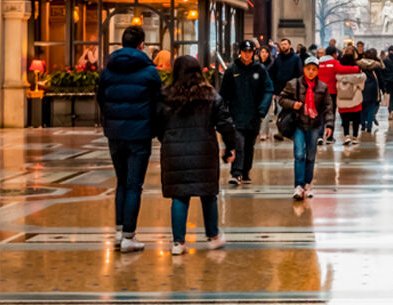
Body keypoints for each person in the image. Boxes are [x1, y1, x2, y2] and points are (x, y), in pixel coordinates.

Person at [155, 55, 236, 254]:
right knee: (208, 194)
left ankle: (178, 243)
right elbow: (225, 123)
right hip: (204, 151)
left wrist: (166, 139)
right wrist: (230, 147)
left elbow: (157, 124)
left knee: (179, 197)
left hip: (174, 151)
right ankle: (213, 236)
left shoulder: (166, 96)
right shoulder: (210, 95)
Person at [96, 25, 163, 252]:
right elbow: (158, 103)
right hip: (139, 134)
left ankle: (118, 232)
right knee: (135, 185)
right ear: (141, 44)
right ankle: (129, 236)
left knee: (121, 182)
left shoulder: (107, 71)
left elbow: (101, 99)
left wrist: (110, 120)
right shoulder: (149, 72)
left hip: (115, 133)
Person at [278, 55, 335, 199]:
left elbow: (328, 107)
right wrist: (293, 104)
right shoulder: (294, 84)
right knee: (298, 155)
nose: (311, 72)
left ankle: (308, 184)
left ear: (317, 71)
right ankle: (298, 185)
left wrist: (329, 125)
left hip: (315, 125)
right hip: (299, 124)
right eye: (308, 69)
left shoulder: (322, 87)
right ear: (304, 69)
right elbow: (282, 99)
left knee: (310, 156)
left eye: (314, 69)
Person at [218, 40, 273, 186]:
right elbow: (224, 93)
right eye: (244, 51)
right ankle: (236, 173)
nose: (247, 54)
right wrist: (224, 112)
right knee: (239, 144)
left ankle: (245, 172)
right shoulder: (232, 69)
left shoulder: (260, 69)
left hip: (254, 115)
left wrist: (262, 109)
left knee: (249, 145)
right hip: (236, 114)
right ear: (240, 52)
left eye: (249, 52)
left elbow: (268, 89)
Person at [270, 39, 304, 139]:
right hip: (280, 89)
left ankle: (290, 130)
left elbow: (299, 73)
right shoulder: (277, 59)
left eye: (285, 44)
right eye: (281, 44)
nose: (283, 46)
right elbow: (272, 73)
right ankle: (281, 131)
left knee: (291, 112)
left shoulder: (296, 59)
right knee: (280, 111)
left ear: (289, 45)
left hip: (292, 90)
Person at [334, 54, 366, 144]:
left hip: (342, 100)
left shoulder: (338, 75)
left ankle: (346, 135)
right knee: (356, 119)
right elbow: (362, 86)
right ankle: (355, 137)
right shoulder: (358, 75)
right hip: (355, 99)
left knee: (345, 119)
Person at [358, 48, 385, 135]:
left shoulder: (360, 64)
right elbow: (381, 76)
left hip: (362, 87)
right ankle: (369, 127)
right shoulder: (376, 65)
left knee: (362, 108)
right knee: (371, 109)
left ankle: (362, 125)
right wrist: (383, 89)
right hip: (373, 88)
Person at [256, 45, 276, 140]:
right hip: (258, 90)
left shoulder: (272, 64)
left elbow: (275, 78)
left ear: (268, 53)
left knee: (266, 111)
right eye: (262, 52)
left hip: (268, 90)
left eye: (265, 52)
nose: (263, 54)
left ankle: (264, 132)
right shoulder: (257, 64)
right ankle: (263, 131)